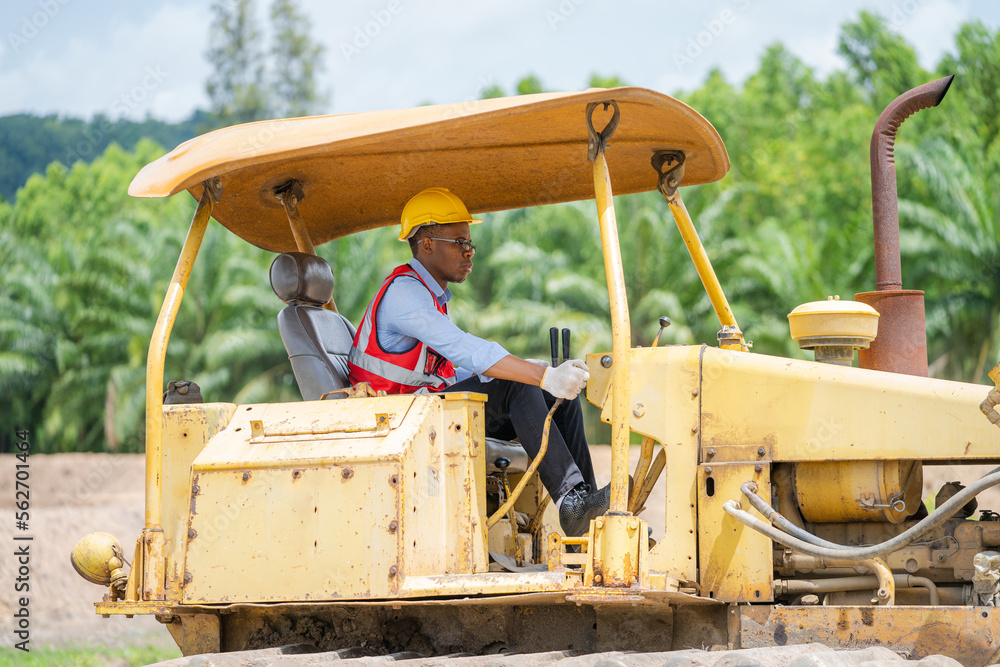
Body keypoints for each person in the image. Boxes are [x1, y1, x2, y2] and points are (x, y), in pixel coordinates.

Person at [348, 186, 611, 536]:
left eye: (470, 244)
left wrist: (542, 375)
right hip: (399, 424)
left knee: (559, 400)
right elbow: (467, 350)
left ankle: (583, 511)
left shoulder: (431, 297)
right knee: (524, 383)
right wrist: (541, 373)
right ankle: (569, 500)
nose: (470, 253)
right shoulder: (404, 294)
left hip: (424, 415)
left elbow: (457, 369)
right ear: (426, 244)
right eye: (460, 243)